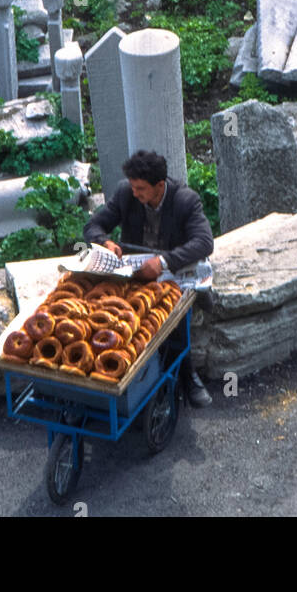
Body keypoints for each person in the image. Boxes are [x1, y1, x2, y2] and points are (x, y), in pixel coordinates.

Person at [83, 150, 214, 407]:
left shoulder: (185, 201)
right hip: (135, 274)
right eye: (133, 187)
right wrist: (105, 242)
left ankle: (188, 376)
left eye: (141, 188)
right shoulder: (125, 193)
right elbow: (92, 227)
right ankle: (112, 377)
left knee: (172, 317)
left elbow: (204, 242)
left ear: (160, 186)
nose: (135, 193)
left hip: (171, 275)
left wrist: (163, 262)